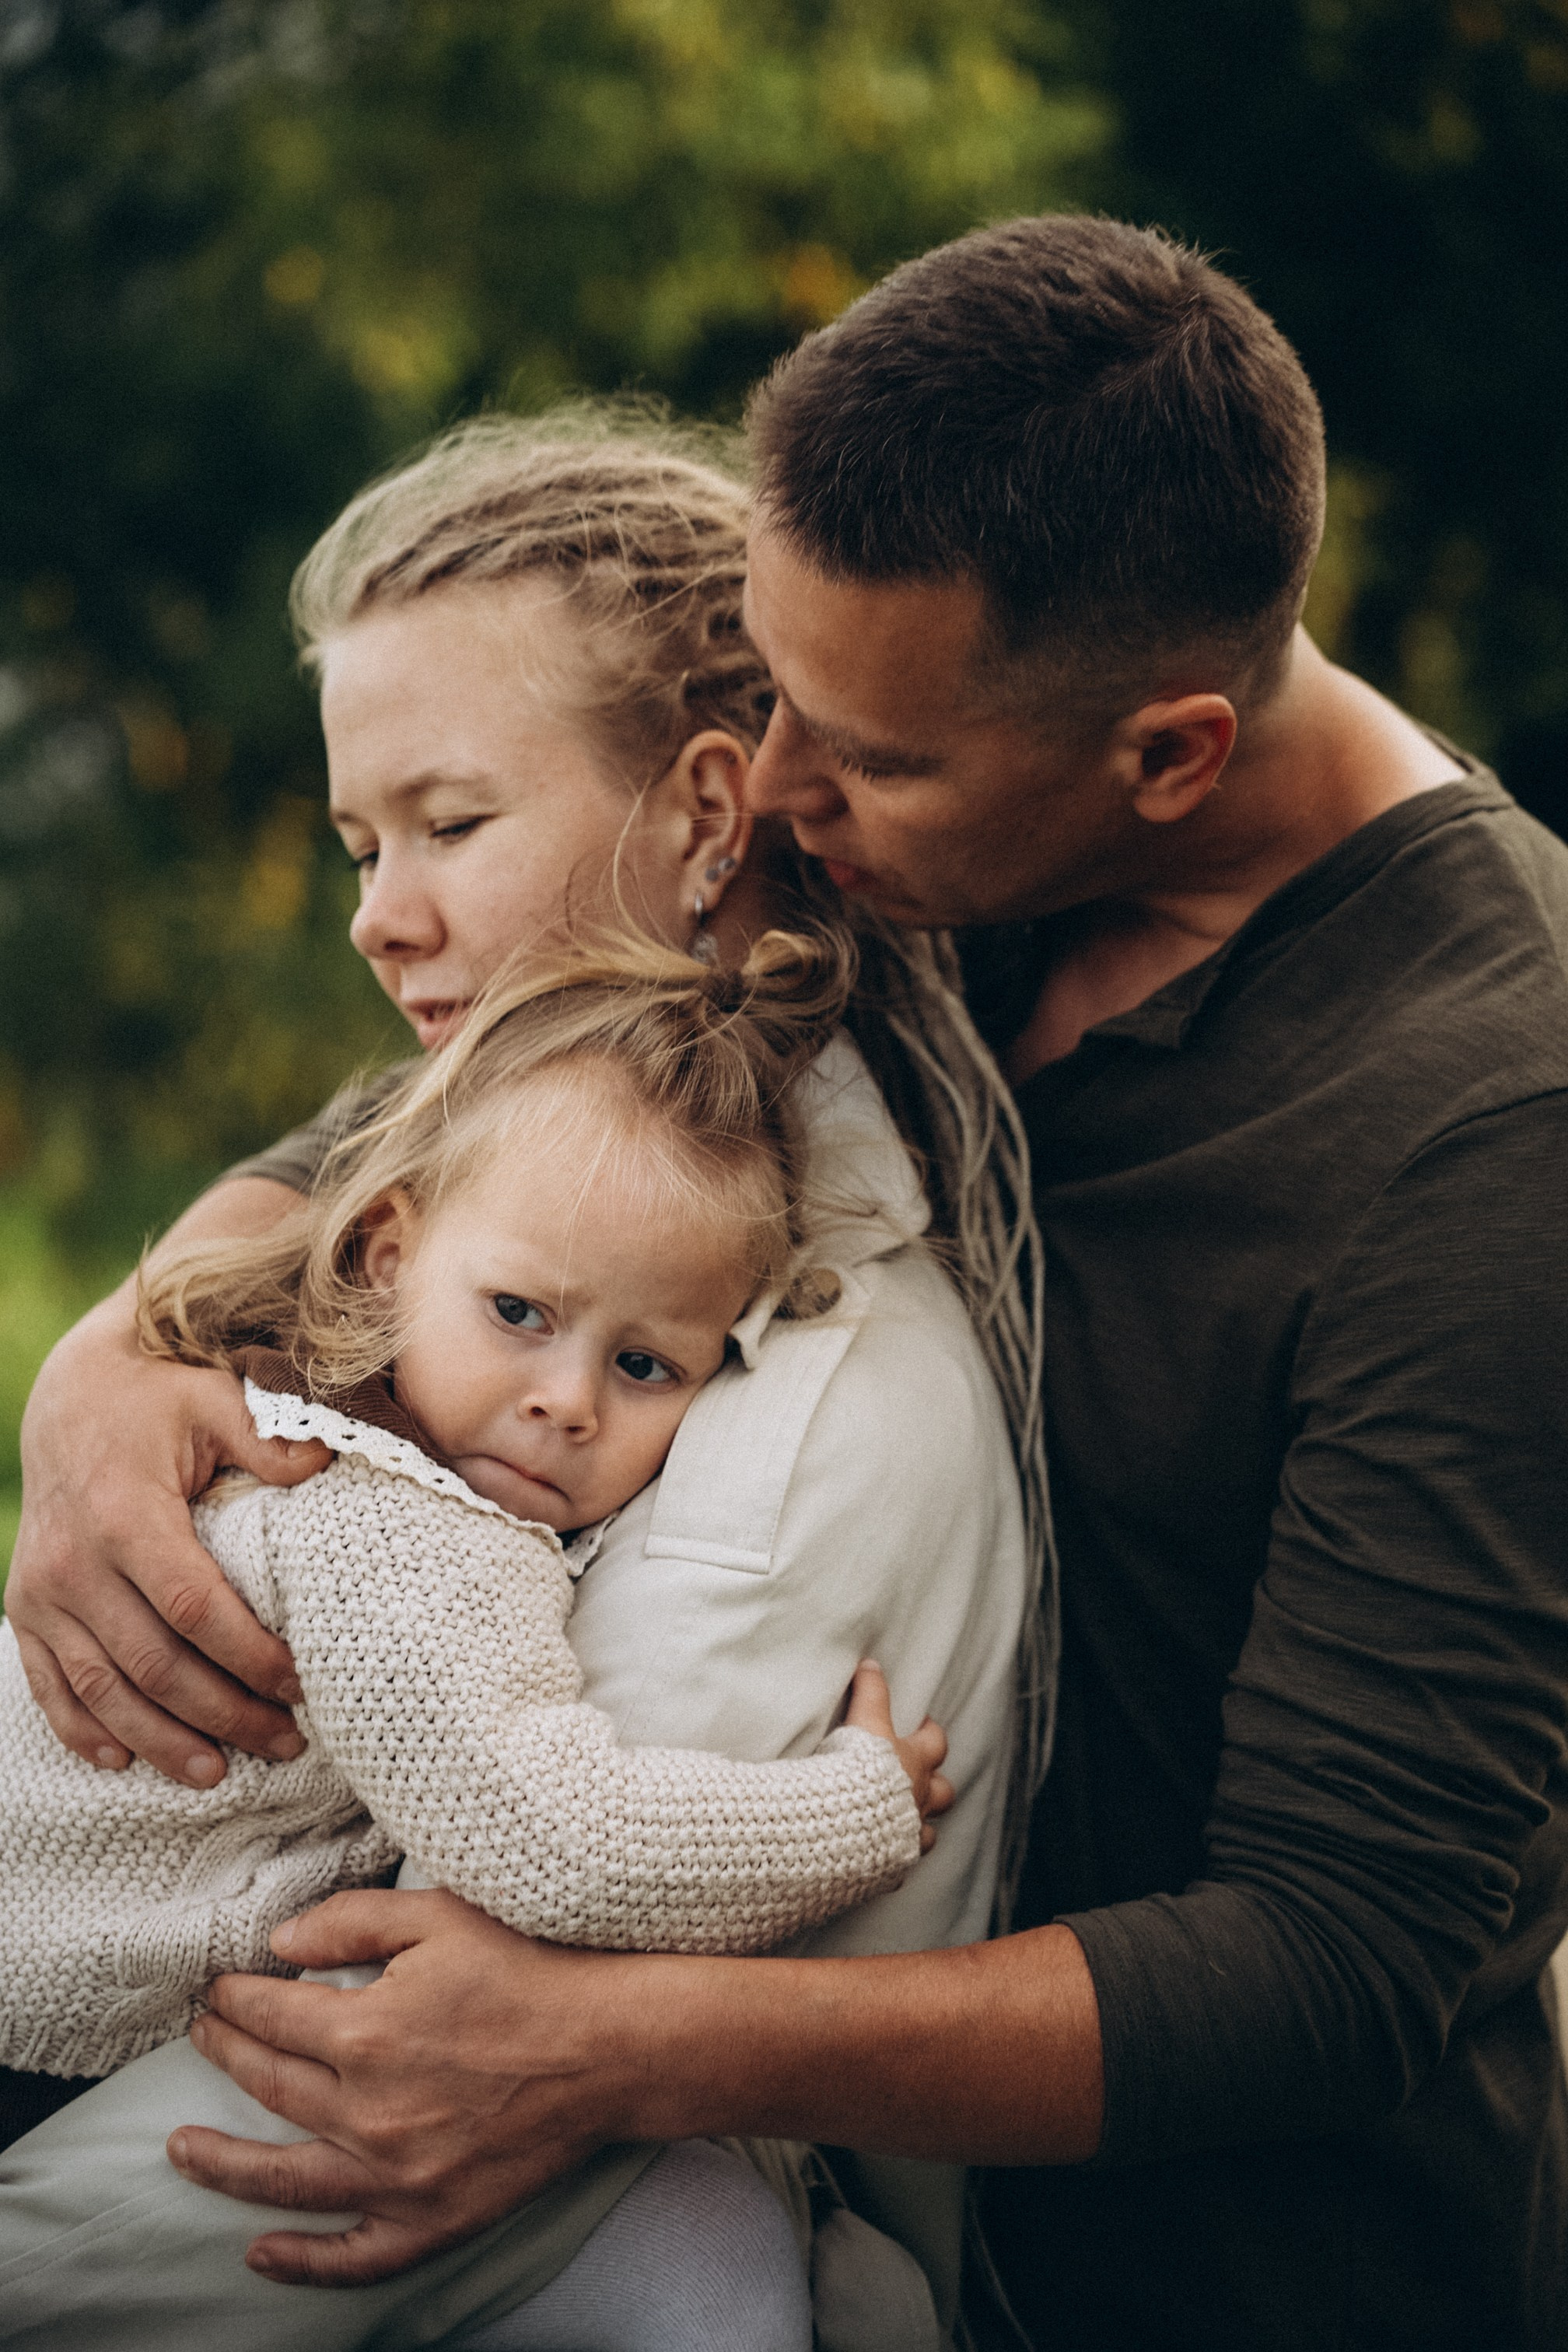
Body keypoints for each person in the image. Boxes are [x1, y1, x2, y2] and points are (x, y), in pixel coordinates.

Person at [23, 214, 1565, 2352]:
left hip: (1215, 2286)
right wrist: (117, 1363)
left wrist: (616, 2043)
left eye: (863, 756)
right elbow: (495, 1114)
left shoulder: (1490, 1128)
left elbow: (1340, 1960)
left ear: (1170, 756)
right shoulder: (922, 818)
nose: (785, 795)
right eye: (766, 696)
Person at [3, 419, 1036, 2347]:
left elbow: (431, 2048)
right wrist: (107, 1365)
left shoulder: (783, 1418)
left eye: (448, 824)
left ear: (710, 814)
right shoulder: (546, 1202)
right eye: (357, 843)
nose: (378, 912)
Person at [1, 935, 955, 2350]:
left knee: (718, 2246)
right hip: (30, 2027)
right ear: (389, 1255)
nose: (565, 1402)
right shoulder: (389, 1523)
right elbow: (551, 1838)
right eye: (520, 1316)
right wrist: (857, 1808)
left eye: (646, 1367)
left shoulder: (373, 1440)